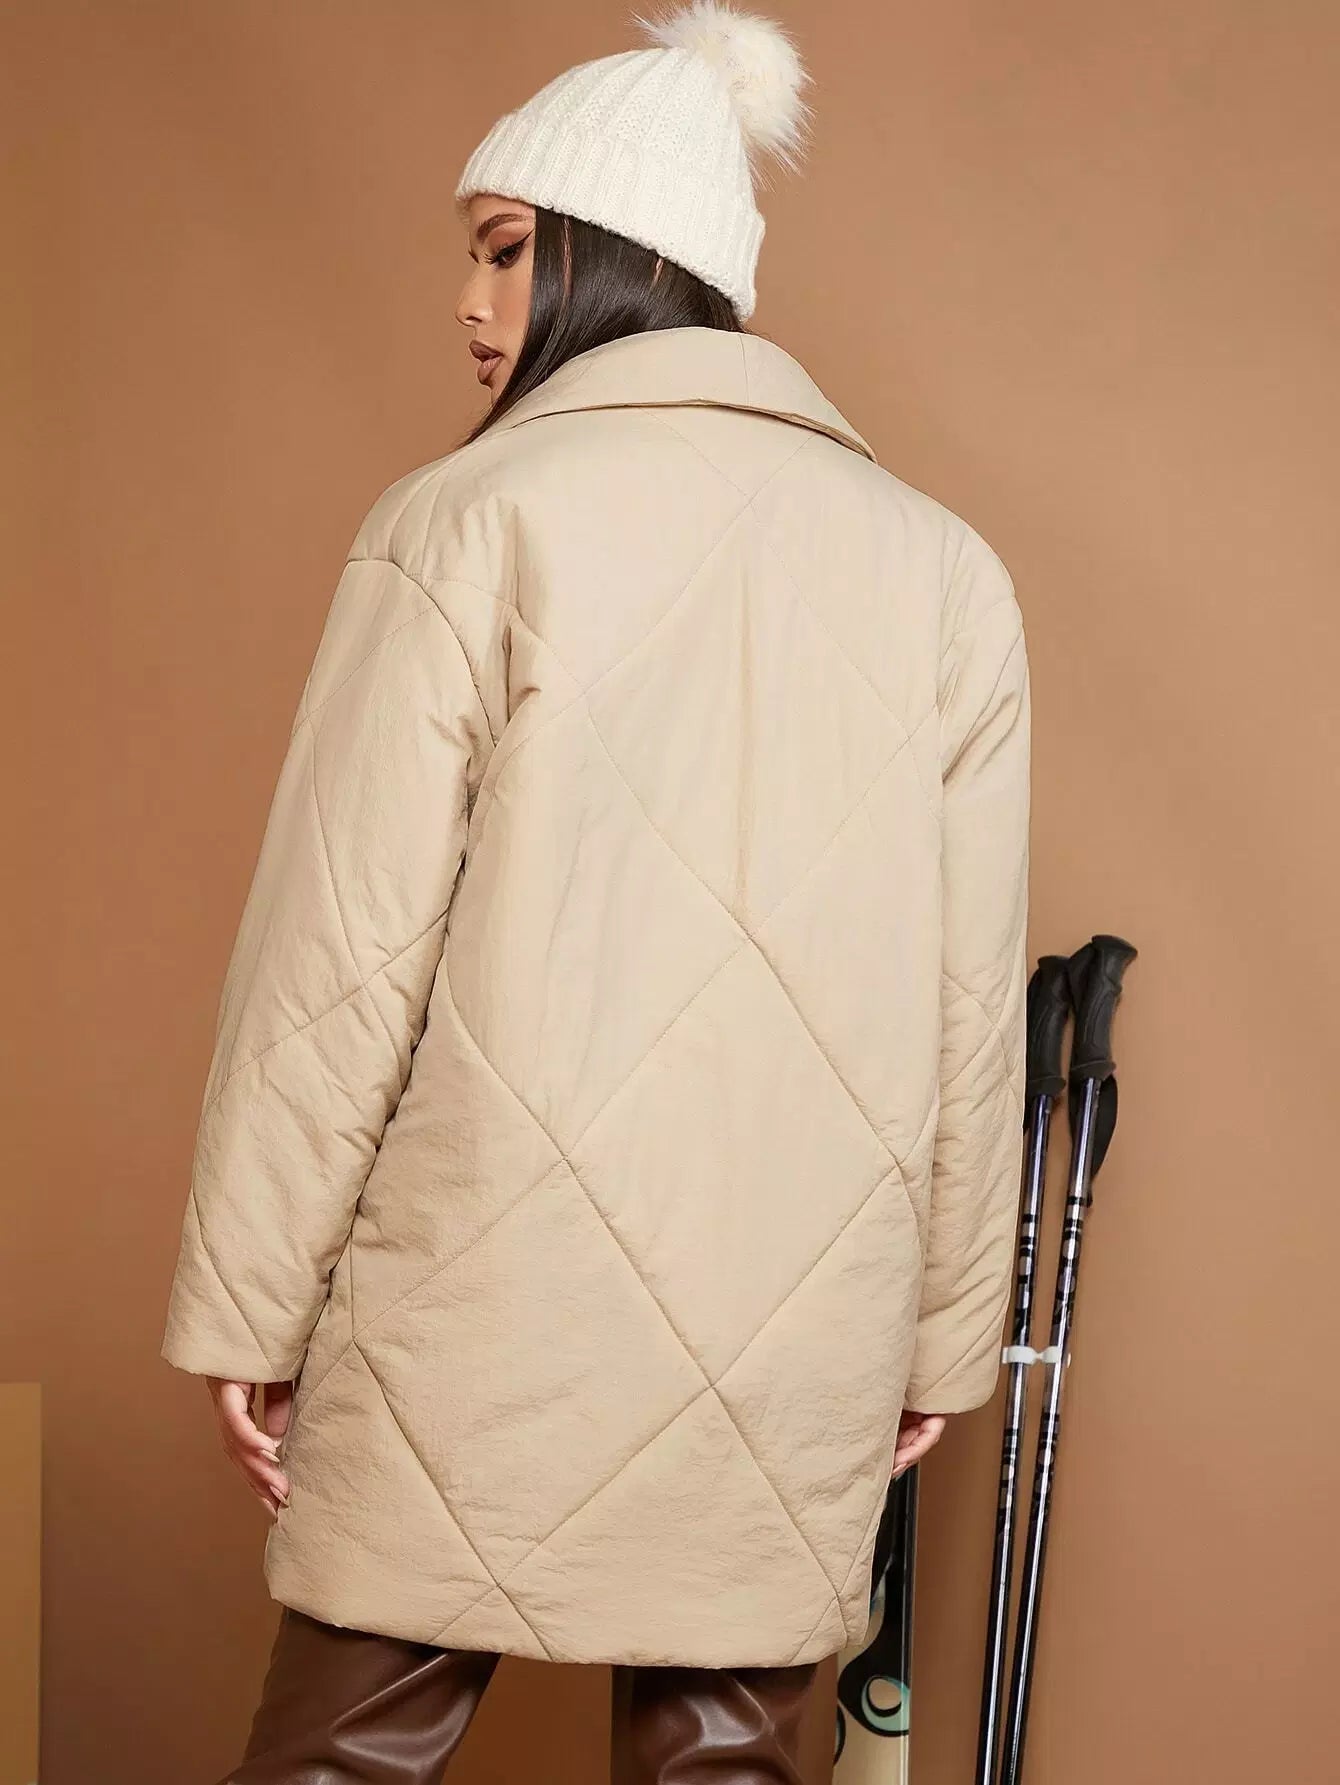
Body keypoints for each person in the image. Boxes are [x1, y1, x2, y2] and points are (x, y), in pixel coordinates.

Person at [159, 4, 1032, 1780]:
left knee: (341, 1757)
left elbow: (341, 959)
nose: (467, 300)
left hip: (478, 1300)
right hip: (800, 1316)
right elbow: (972, 1000)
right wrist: (943, 1332)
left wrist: (249, 1298)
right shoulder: (947, 573)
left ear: (618, 254)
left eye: (503, 248)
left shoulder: (467, 519)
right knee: (726, 1760)